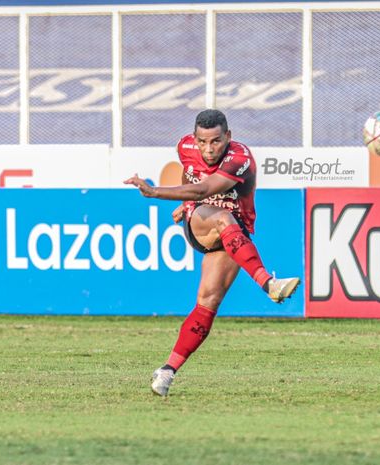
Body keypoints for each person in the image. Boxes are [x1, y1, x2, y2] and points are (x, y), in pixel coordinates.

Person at [123, 109, 300, 397]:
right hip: (205, 224)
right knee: (222, 219)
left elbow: (202, 187)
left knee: (208, 302)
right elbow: (191, 178)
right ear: (195, 138)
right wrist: (186, 204)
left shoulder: (239, 159)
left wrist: (162, 193)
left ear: (228, 137)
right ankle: (269, 284)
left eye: (216, 141)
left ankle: (167, 371)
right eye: (203, 141)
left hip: (234, 236)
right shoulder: (185, 147)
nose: (208, 149)